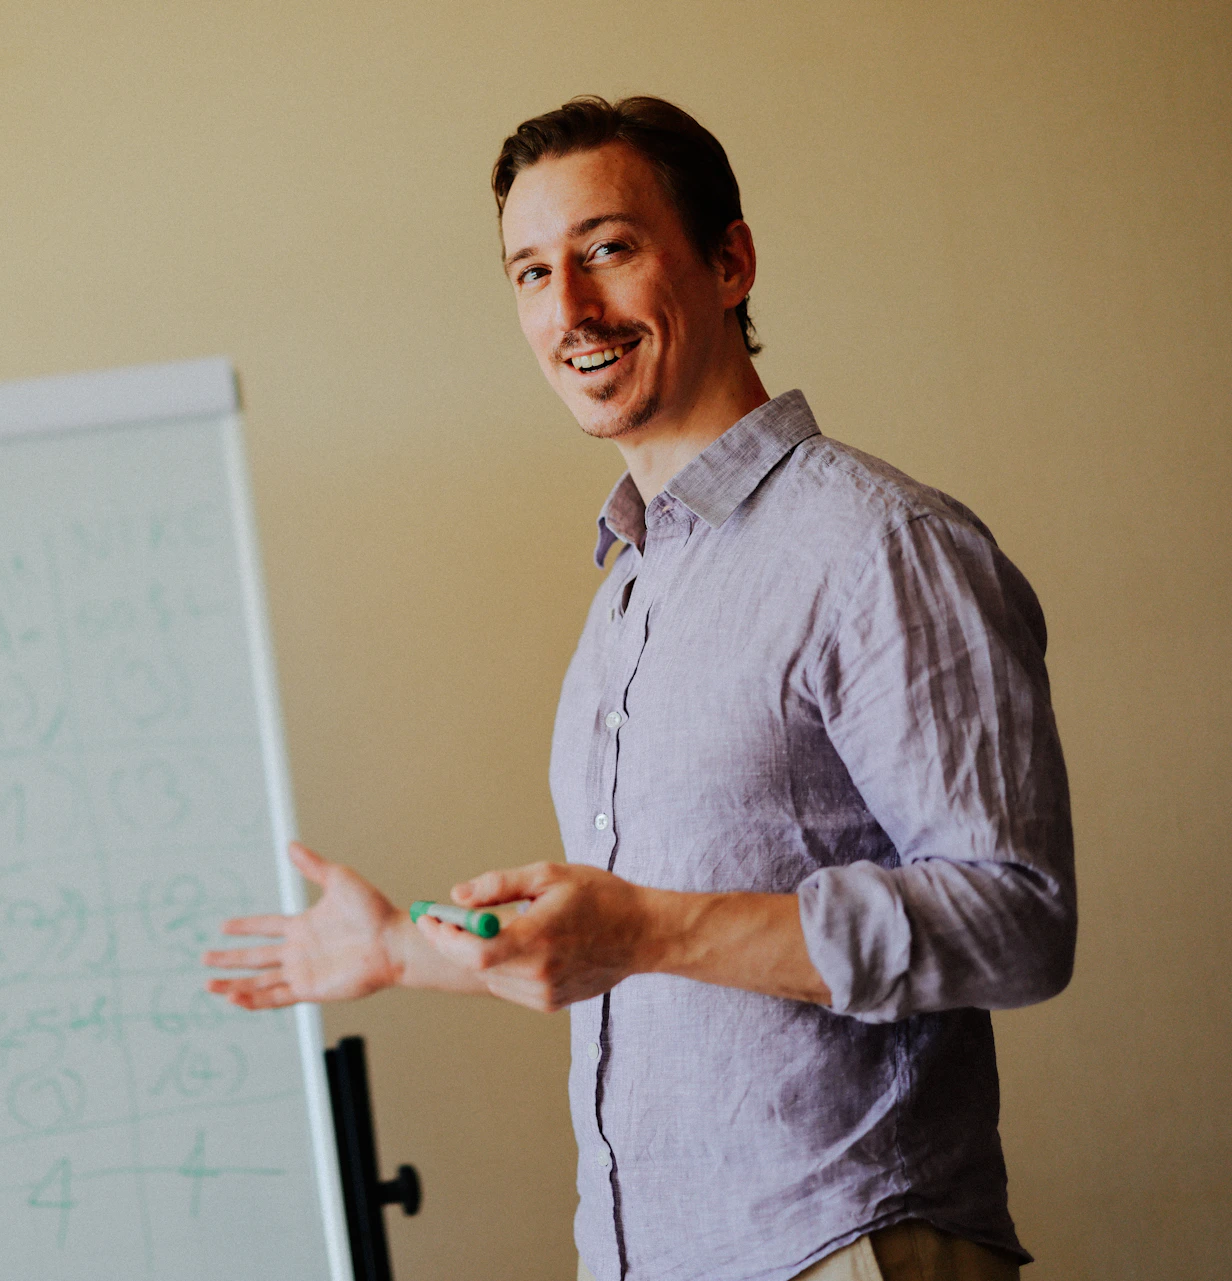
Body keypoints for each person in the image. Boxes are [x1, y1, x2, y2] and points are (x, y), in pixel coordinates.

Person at [202, 96, 1075, 1281]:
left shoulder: (880, 546)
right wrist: (407, 946)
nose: (568, 310)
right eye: (529, 272)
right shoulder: (629, 586)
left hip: (844, 1248)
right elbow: (625, 944)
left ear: (729, 261)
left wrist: (648, 928)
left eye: (607, 249)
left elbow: (1017, 920)